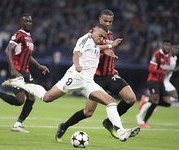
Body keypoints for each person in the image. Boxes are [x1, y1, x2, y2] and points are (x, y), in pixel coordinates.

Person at [2, 24, 140, 142]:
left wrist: (109, 46)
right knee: (47, 97)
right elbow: (76, 54)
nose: (102, 39)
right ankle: (20, 83)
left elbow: (96, 49)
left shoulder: (96, 43)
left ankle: (120, 131)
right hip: (75, 77)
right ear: (94, 31)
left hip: (88, 82)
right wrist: (77, 65)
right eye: (101, 36)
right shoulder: (84, 39)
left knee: (110, 101)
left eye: (104, 37)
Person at [55, 9, 137, 141]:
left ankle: (110, 123)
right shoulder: (92, 34)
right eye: (105, 21)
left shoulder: (110, 35)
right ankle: (64, 126)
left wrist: (112, 67)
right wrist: (107, 48)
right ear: (99, 20)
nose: (108, 23)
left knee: (131, 98)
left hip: (109, 75)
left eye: (110, 21)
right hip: (95, 77)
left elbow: (106, 54)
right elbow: (93, 49)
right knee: (88, 112)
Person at [0, 13, 49, 133]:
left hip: (26, 72)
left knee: (31, 98)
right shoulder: (18, 35)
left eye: (30, 21)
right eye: (26, 21)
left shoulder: (29, 36)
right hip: (17, 72)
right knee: (19, 101)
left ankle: (17, 125)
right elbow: (7, 50)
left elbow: (27, 55)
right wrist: (12, 69)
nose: (28, 23)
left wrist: (39, 66)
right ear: (21, 23)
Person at [136, 42, 179, 127]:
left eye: (178, 49)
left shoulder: (174, 57)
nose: (176, 50)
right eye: (175, 48)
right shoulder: (167, 56)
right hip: (161, 80)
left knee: (171, 98)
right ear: (171, 48)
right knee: (160, 100)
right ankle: (142, 114)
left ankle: (147, 100)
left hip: (166, 80)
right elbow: (159, 67)